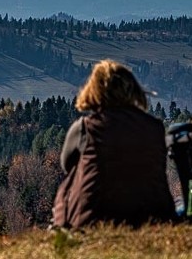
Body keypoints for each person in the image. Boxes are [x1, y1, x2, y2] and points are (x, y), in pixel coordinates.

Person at [52, 59, 175, 229]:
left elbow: (66, 165)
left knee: (74, 174)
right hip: (153, 219)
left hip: (93, 220)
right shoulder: (155, 127)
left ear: (94, 90)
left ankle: (62, 225)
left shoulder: (86, 127)